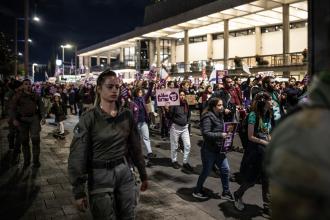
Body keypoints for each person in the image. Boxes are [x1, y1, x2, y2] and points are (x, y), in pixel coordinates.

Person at [68, 69, 148, 220]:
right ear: (99, 89)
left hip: (124, 173)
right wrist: (78, 191)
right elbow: (77, 155)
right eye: (109, 87)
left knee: (129, 216)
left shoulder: (126, 115)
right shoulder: (89, 118)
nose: (114, 90)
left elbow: (136, 147)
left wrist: (143, 174)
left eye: (117, 87)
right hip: (99, 177)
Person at [233, 92, 273, 214]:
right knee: (251, 180)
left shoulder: (268, 114)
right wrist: (265, 143)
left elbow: (266, 132)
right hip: (255, 152)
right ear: (263, 102)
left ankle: (267, 205)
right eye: (270, 100)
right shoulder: (253, 115)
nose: (272, 102)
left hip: (265, 152)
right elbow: (250, 136)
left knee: (267, 179)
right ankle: (238, 194)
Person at [192, 97, 233, 200]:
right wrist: (220, 135)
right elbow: (205, 133)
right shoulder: (208, 117)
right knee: (206, 171)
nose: (222, 107)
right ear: (213, 107)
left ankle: (226, 192)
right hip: (209, 150)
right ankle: (197, 190)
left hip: (219, 149)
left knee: (225, 169)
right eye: (219, 105)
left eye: (222, 105)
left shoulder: (220, 115)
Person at [10, 79, 45, 168]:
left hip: (34, 119)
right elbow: (12, 108)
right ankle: (27, 161)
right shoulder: (18, 95)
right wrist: (14, 119)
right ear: (22, 85)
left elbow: (41, 105)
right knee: (24, 141)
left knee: (35, 140)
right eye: (26, 84)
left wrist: (43, 117)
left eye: (29, 84)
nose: (28, 86)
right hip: (22, 120)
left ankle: (36, 161)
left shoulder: (35, 95)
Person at [165, 89, 193, 173]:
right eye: (180, 95)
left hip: (185, 128)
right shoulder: (174, 104)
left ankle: (185, 162)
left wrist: (187, 123)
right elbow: (169, 116)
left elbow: (188, 114)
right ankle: (174, 161)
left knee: (188, 145)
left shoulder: (186, 104)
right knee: (175, 145)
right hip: (175, 127)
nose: (182, 96)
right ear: (177, 96)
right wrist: (167, 109)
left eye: (183, 95)